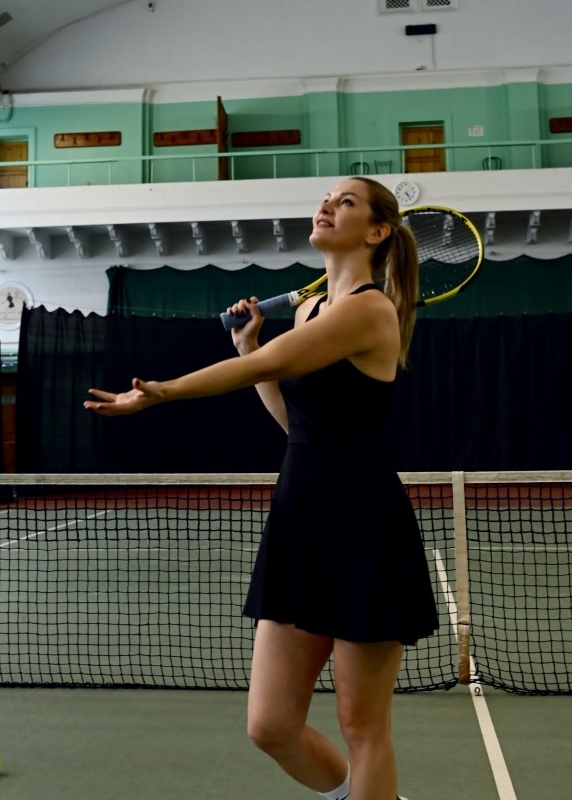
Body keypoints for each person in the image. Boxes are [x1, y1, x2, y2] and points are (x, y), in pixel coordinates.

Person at [84, 176, 439, 800]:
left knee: (361, 724)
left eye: (346, 202)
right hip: (301, 520)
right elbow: (294, 423)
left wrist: (164, 391)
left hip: (364, 525)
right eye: (326, 198)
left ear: (377, 231)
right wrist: (248, 342)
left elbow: (266, 363)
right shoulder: (308, 311)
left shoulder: (369, 309)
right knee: (271, 725)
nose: (327, 206)